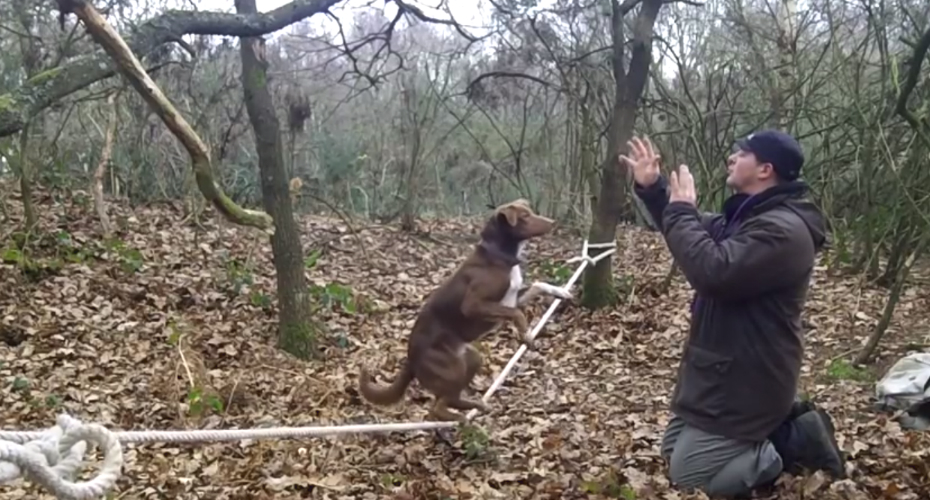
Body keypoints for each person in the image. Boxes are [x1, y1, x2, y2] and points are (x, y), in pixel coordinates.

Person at [622, 130, 845, 498]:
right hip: (720, 371)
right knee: (671, 452)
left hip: (751, 379)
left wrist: (680, 211)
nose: (731, 157)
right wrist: (654, 189)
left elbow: (713, 271)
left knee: (690, 475)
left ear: (765, 169)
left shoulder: (783, 231)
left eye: (741, 153)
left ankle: (787, 446)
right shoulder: (747, 217)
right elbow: (691, 232)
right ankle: (764, 438)